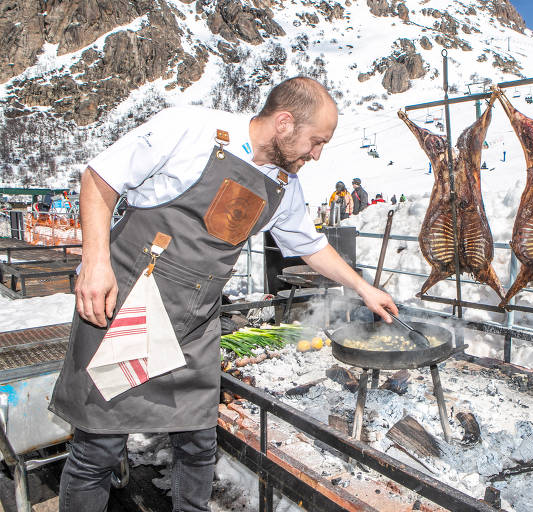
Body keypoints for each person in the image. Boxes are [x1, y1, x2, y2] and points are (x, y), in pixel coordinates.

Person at [49, 76, 397, 512]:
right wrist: (96, 262)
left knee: (197, 447)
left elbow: (310, 245)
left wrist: (364, 288)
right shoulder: (189, 129)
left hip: (195, 322)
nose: (317, 154)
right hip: (130, 306)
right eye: (316, 142)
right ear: (284, 123)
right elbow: (100, 177)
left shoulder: (284, 185)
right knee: (98, 450)